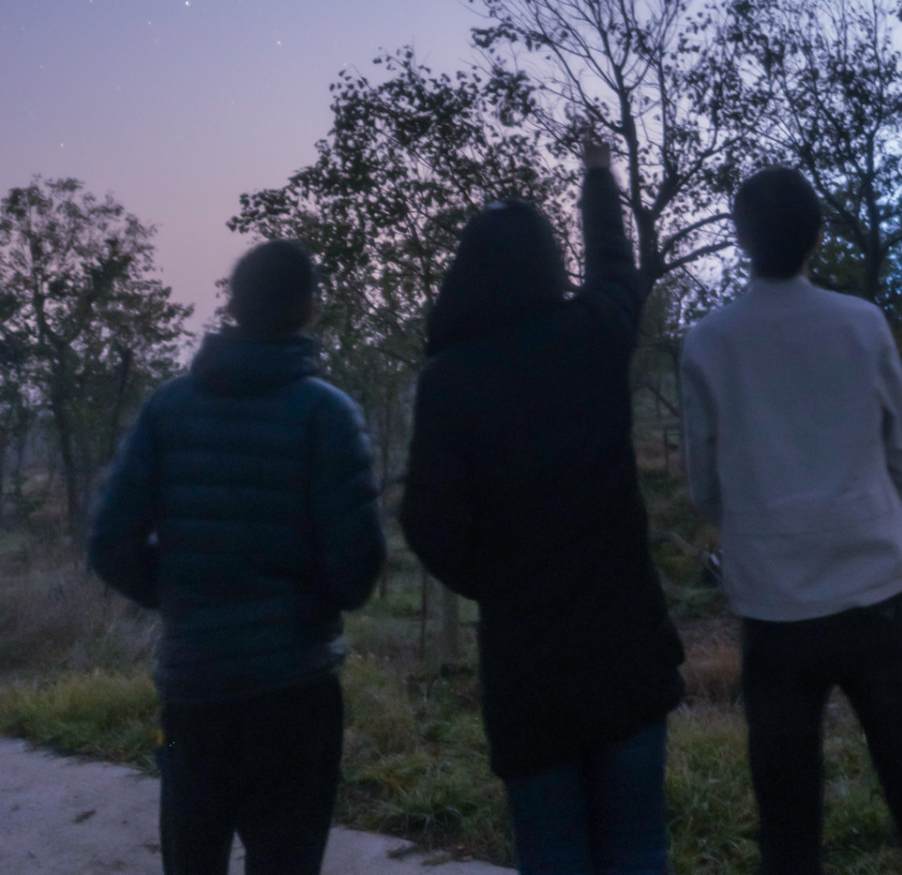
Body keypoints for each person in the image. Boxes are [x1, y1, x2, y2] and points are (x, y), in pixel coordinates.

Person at [680, 166, 902, 875]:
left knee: (786, 818)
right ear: (817, 235)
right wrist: (863, 509)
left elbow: (703, 485)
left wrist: (757, 527)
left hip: (772, 607)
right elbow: (900, 451)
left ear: (741, 240)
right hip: (874, 587)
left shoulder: (707, 341)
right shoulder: (861, 322)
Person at [400, 137, 684, 875]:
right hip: (625, 646)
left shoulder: (449, 380)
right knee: (638, 848)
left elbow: (427, 524)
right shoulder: (589, 337)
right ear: (550, 267)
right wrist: (596, 178)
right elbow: (618, 271)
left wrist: (499, 580)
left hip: (527, 671)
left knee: (551, 857)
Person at [89, 239, 386, 875]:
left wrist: (178, 596)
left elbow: (109, 541)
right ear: (309, 309)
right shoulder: (328, 416)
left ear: (233, 303)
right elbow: (357, 573)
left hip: (194, 693)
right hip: (296, 695)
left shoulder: (169, 408)